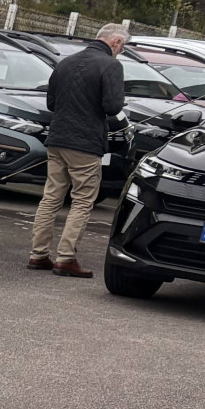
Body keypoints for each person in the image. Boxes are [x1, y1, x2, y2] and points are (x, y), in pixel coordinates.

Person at [29, 22, 127, 277]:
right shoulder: (111, 65)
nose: (121, 51)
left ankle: (38, 254)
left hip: (58, 137)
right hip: (85, 142)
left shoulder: (65, 62)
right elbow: (113, 106)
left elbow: (51, 103)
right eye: (122, 46)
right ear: (115, 42)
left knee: (51, 196)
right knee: (83, 200)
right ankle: (66, 257)